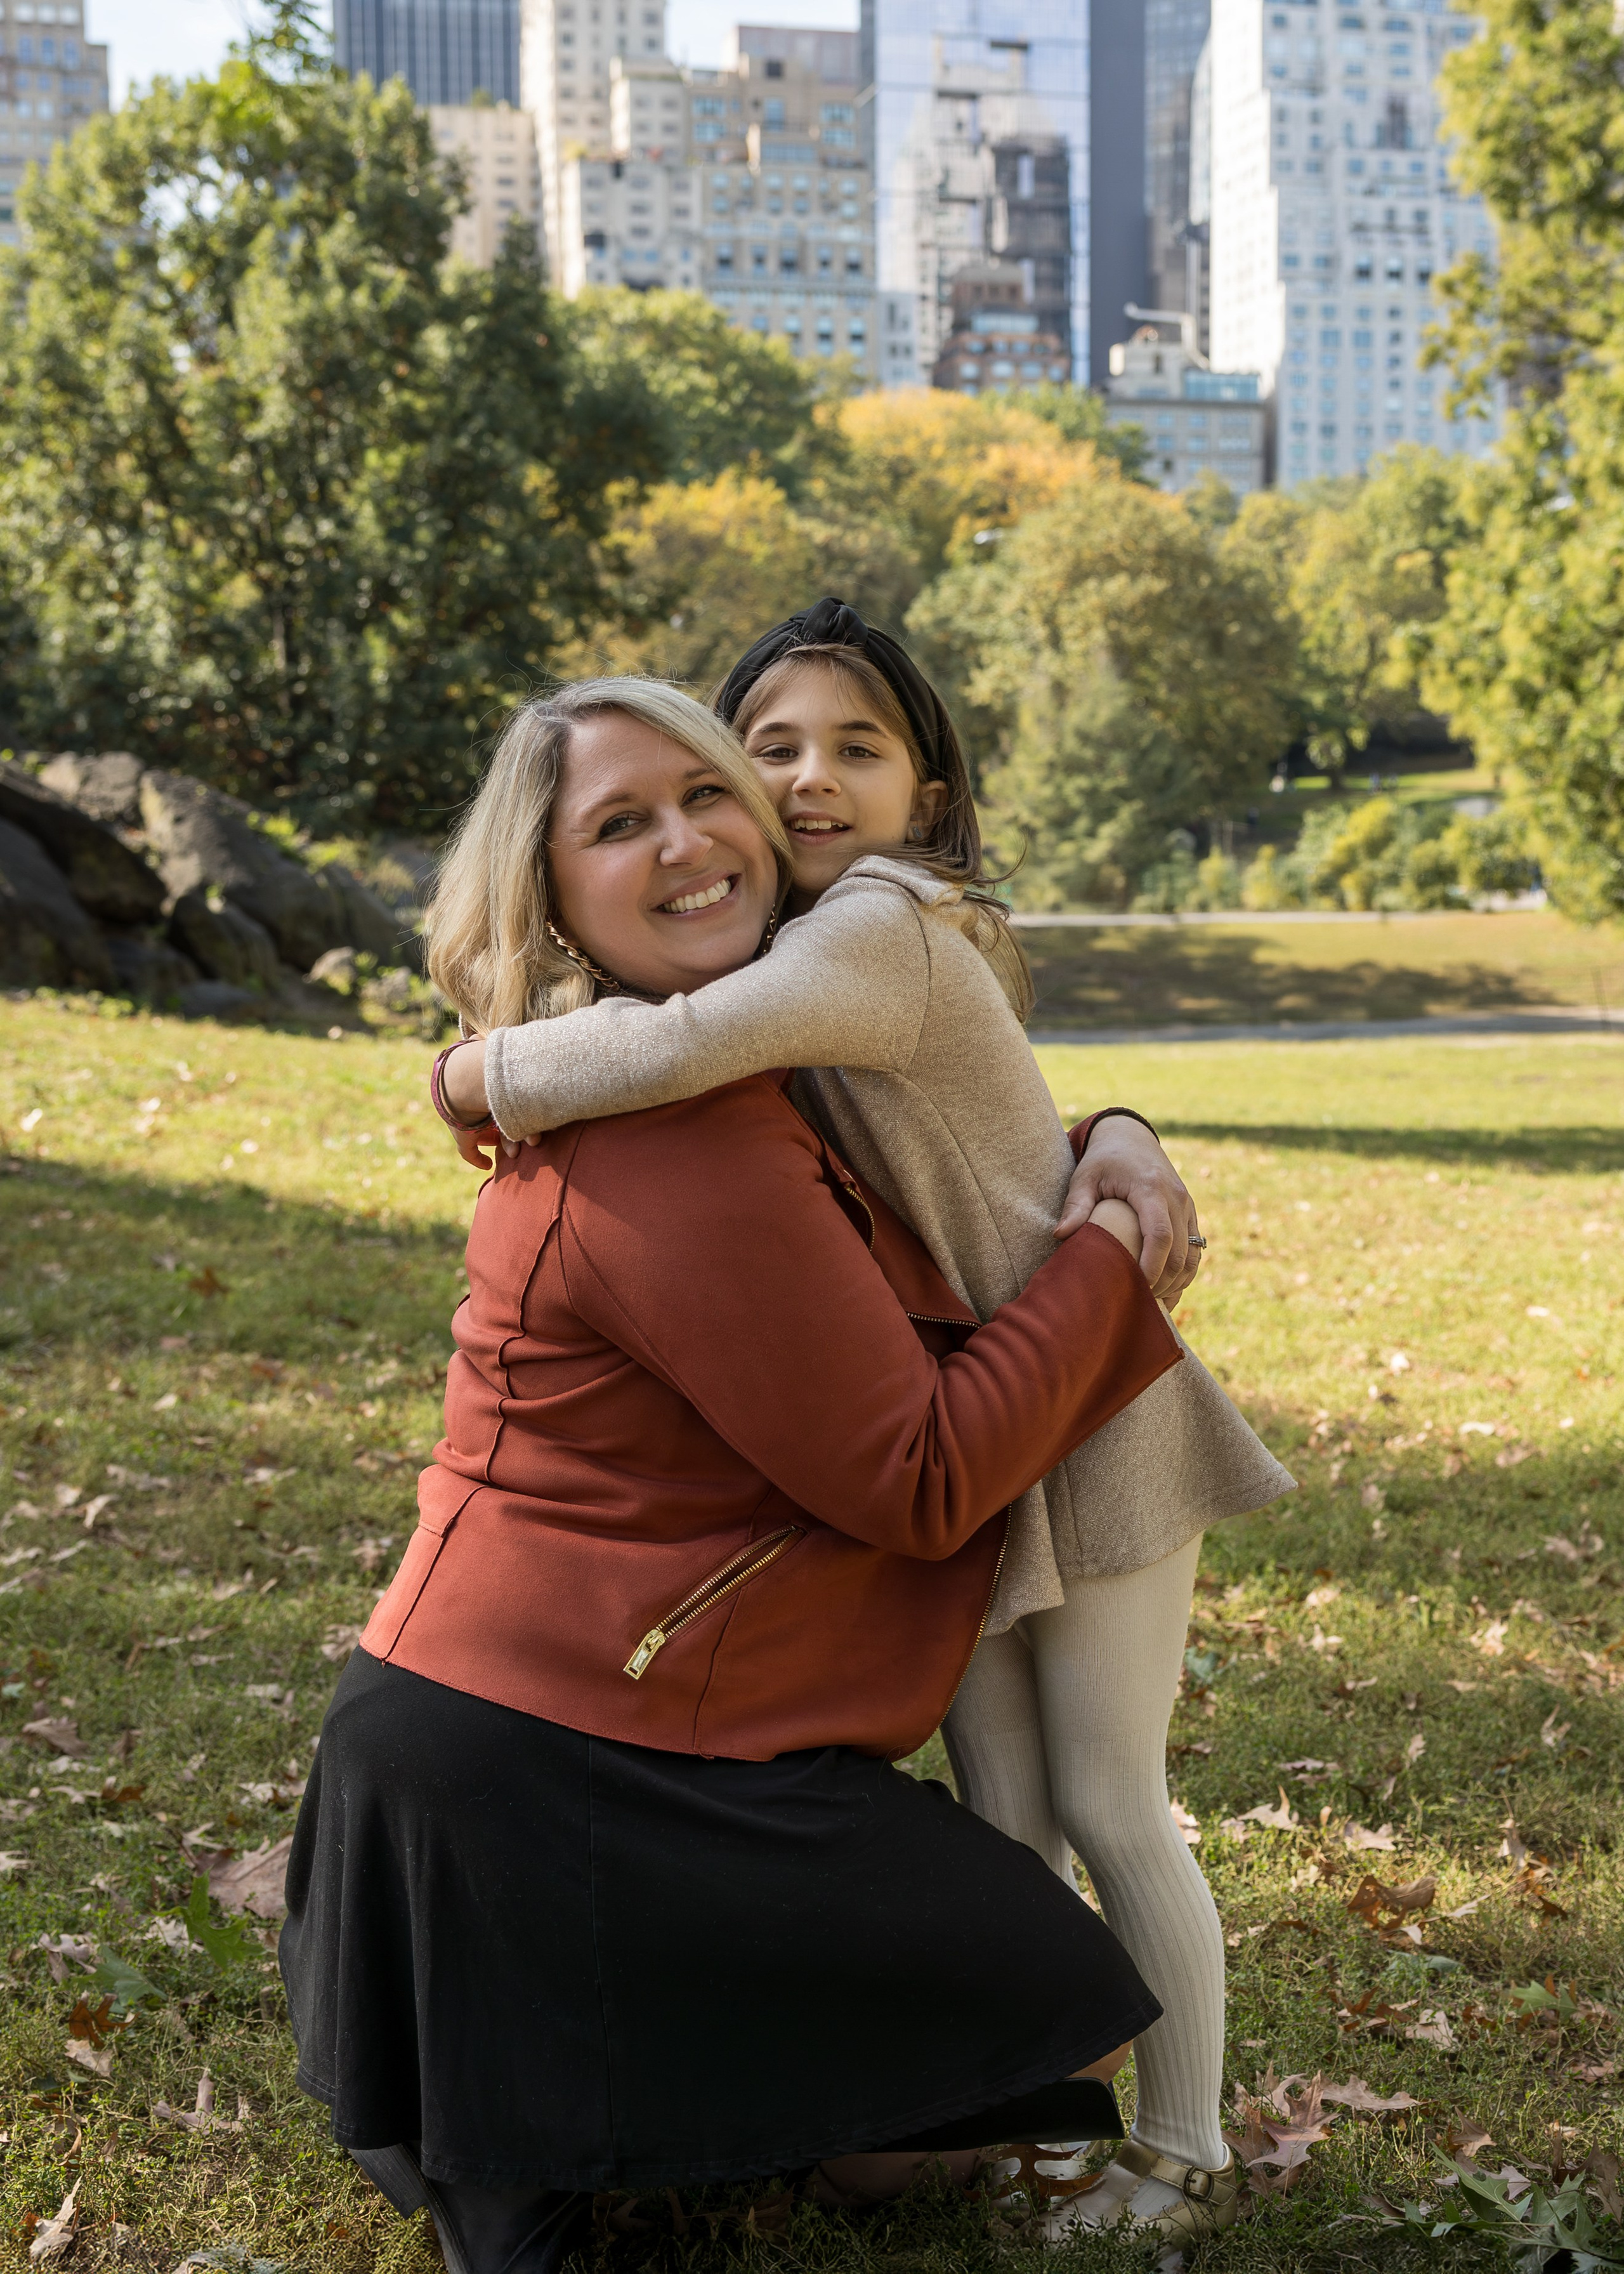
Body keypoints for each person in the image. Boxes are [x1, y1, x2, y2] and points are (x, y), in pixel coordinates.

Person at [280, 676, 1192, 2274]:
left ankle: (622, 2102)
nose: (691, 839)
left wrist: (1108, 1128)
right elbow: (923, 1477)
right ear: (549, 892)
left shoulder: (694, 1057)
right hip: (557, 1767)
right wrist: (1109, 1259)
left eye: (706, 795)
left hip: (533, 1735)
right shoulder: (675, 1141)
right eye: (619, 824)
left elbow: (954, 1120)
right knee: (1055, 2017)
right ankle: (584, 2105)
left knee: (964, 2091)